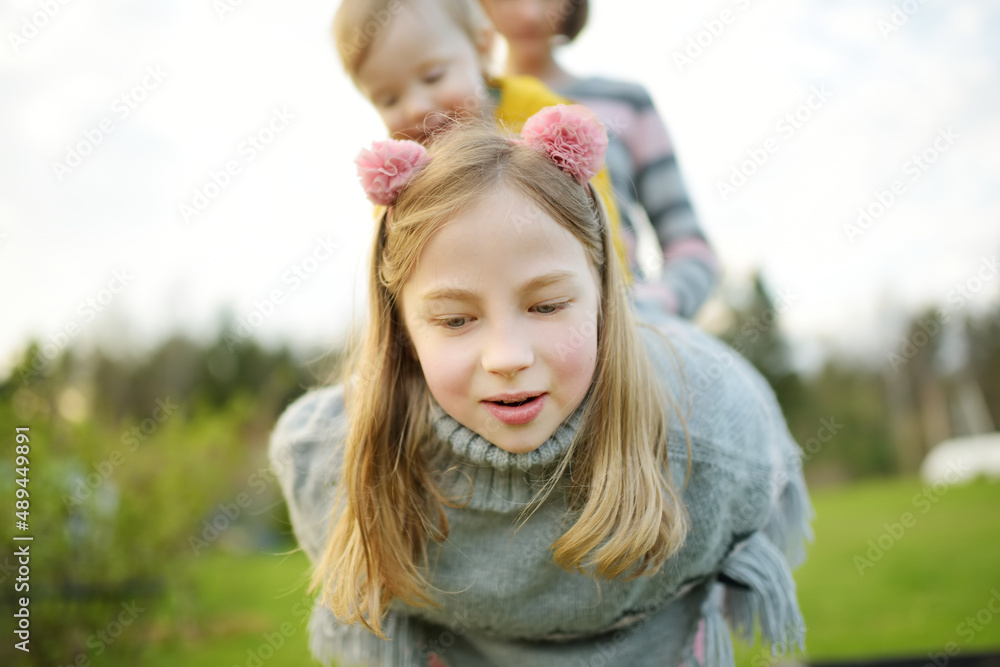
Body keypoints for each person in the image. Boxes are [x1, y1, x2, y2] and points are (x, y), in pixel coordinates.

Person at [269, 106, 812, 666]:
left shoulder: (710, 445)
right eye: (456, 320)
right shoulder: (332, 464)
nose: (508, 357)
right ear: (402, 329)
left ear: (604, 299)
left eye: (547, 306)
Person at [332, 0, 631, 277]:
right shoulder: (399, 172)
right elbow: (393, 262)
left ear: (483, 46)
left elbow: (594, 202)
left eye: (433, 77)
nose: (415, 108)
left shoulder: (534, 110)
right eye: (389, 100)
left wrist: (610, 285)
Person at [480, 0, 719, 319]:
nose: (529, 14)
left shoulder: (626, 102)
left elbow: (689, 246)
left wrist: (652, 306)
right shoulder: (457, 109)